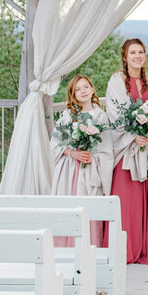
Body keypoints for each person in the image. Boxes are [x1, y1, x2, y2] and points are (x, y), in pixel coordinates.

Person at [105, 38, 148, 264]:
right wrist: (132, 135)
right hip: (126, 151)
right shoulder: (117, 80)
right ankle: (122, 251)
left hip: (145, 150)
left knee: (142, 202)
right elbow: (115, 114)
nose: (137, 56)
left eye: (141, 52)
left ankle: (140, 250)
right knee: (124, 201)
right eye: (133, 53)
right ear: (125, 57)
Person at [49, 74, 113, 247]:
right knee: (70, 206)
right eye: (78, 89)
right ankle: (64, 247)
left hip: (91, 167)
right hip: (70, 169)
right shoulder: (68, 115)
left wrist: (94, 157)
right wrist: (72, 153)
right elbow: (55, 142)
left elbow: (107, 147)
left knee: (88, 208)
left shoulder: (101, 116)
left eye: (85, 87)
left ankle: (88, 247)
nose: (83, 91)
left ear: (92, 89)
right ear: (73, 94)